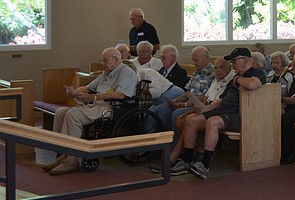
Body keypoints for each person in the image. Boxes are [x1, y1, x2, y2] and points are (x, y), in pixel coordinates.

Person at [167, 47, 266, 179]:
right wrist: (204, 109)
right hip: (222, 110)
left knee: (213, 122)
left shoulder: (257, 73)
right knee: (191, 120)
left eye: (234, 61)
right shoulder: (235, 78)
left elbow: (253, 85)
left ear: (246, 60)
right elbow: (220, 101)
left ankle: (204, 165)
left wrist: (237, 79)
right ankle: (187, 160)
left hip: (241, 115)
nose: (232, 64)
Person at [43, 47, 138, 175]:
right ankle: (64, 154)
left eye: (105, 60)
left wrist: (94, 97)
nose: (102, 64)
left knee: (73, 115)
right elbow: (88, 87)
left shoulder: (126, 72)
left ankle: (72, 161)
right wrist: (75, 92)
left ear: (116, 59)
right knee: (61, 112)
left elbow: (120, 95)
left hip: (112, 107)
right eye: (101, 60)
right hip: (97, 105)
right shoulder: (106, 73)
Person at [148, 46, 216, 135]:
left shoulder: (212, 74)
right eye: (193, 60)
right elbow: (187, 92)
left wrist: (184, 104)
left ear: (206, 58)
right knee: (163, 108)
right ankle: (161, 139)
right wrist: (174, 101)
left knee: (175, 114)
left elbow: (205, 98)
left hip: (198, 105)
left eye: (196, 60)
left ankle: (173, 142)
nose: (193, 63)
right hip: (188, 102)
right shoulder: (197, 72)